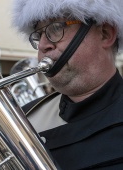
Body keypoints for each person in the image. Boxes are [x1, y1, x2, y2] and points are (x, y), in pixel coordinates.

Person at [12, 0, 123, 169]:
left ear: (105, 34)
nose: (42, 45)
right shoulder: (23, 118)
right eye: (39, 34)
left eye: (56, 28)